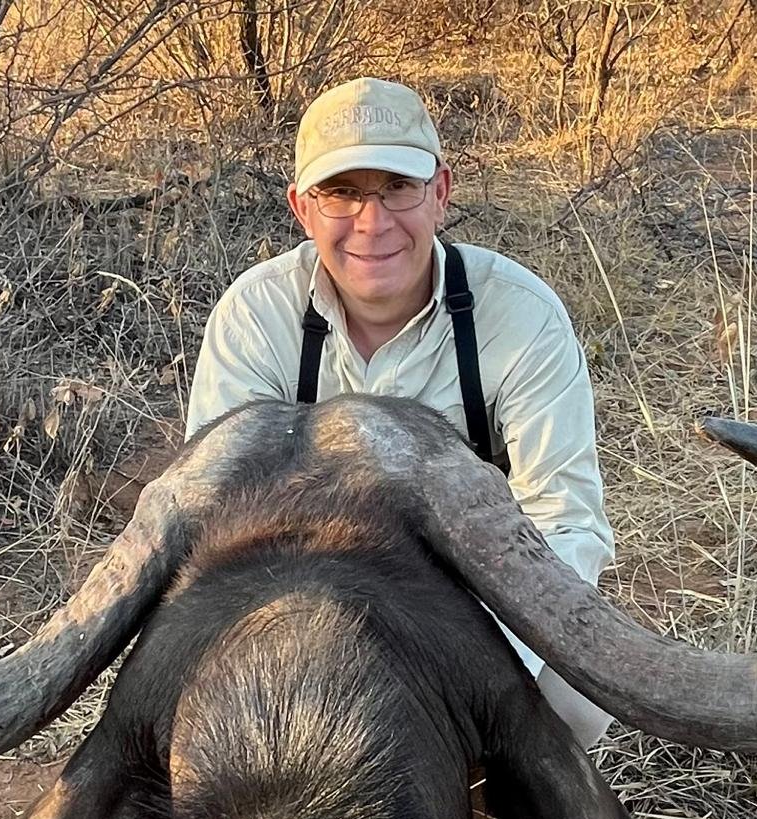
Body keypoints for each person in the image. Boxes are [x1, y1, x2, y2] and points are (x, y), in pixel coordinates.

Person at [185, 77, 615, 749]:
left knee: (579, 701)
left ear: (440, 193)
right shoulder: (256, 317)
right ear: (303, 208)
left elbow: (567, 520)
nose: (373, 221)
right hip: (298, 605)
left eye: (397, 187)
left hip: (469, 606)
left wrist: (462, 663)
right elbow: (214, 521)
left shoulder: (521, 317)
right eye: (343, 192)